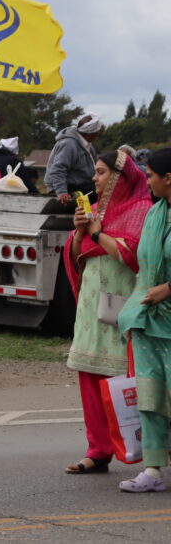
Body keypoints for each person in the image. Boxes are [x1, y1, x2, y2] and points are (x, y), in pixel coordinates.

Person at [59, 149, 151, 476]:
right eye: (95, 173)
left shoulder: (142, 211)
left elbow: (134, 256)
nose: (94, 179)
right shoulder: (93, 211)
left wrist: (98, 233)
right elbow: (75, 256)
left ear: (120, 177)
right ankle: (97, 452)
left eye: (100, 173)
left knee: (127, 382)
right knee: (90, 378)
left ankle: (145, 449)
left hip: (121, 309)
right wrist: (80, 231)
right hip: (91, 310)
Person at [114, 147, 171, 492]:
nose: (146, 180)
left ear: (168, 178)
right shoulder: (154, 213)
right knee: (149, 394)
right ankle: (153, 469)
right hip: (148, 320)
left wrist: (169, 288)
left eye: (150, 175)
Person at [45, 113, 104, 205]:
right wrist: (61, 191)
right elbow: (58, 170)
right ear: (90, 133)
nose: (98, 135)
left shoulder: (88, 145)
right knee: (97, 193)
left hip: (83, 186)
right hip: (69, 187)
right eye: (97, 132)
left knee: (104, 189)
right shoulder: (68, 144)